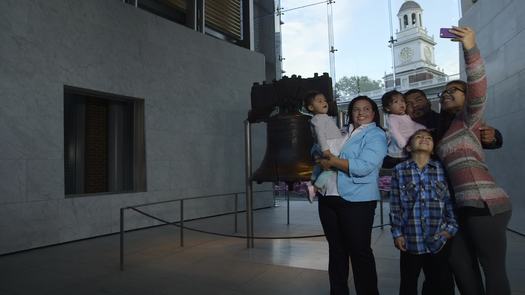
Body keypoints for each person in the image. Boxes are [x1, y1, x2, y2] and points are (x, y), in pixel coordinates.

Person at [435, 26, 512, 295]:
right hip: (458, 209)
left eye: (454, 90)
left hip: (484, 203)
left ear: (467, 99)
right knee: (461, 267)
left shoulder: (468, 119)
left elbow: (478, 86)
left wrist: (470, 46)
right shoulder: (444, 130)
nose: (446, 93)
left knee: (492, 269)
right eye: (443, 92)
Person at [317, 96, 387, 295]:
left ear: (374, 113)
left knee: (359, 252)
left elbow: (364, 166)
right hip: (328, 196)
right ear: (350, 113)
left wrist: (332, 161)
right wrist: (319, 153)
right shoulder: (340, 132)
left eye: (366, 109)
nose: (361, 112)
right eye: (356, 109)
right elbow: (320, 150)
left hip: (358, 200)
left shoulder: (376, 135)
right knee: (336, 252)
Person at [389, 129, 457, 295]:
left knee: (439, 283)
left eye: (428, 138)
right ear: (409, 147)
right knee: (408, 283)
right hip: (411, 240)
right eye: (418, 137)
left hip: (438, 239)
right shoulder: (399, 170)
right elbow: (395, 204)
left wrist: (450, 229)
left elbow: (449, 201)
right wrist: (397, 233)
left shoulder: (442, 170)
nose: (424, 139)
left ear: (433, 149)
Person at [404, 88, 503, 148]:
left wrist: (492, 137)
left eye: (419, 100)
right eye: (409, 104)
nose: (415, 105)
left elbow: (490, 138)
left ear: (429, 103)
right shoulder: (401, 131)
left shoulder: (448, 121)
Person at [303, 90, 345, 199]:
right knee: (330, 169)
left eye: (325, 100)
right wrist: (325, 150)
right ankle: (315, 187)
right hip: (330, 146)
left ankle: (312, 181)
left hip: (327, 144)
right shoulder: (319, 119)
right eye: (319, 101)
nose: (324, 103)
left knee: (319, 166)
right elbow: (320, 135)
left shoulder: (321, 118)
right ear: (311, 108)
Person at [381, 90, 426, 168]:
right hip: (397, 154)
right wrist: (404, 144)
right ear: (388, 108)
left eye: (402, 101)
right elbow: (395, 132)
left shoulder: (405, 116)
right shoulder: (392, 119)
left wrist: (423, 128)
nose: (401, 103)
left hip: (407, 150)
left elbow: (413, 125)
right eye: (396, 102)